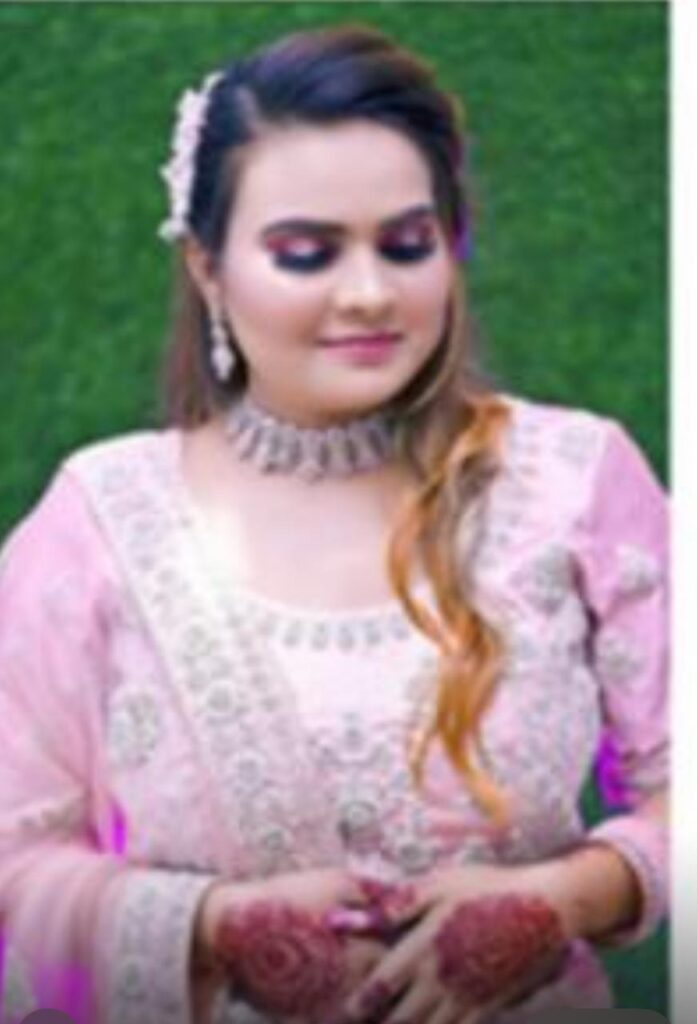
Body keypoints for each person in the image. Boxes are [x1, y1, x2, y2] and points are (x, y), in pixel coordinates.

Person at [0, 23, 668, 1024]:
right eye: (306, 254)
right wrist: (211, 925)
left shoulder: (572, 478)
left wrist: (563, 898)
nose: (368, 294)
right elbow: (14, 853)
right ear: (208, 270)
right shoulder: (103, 515)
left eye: (407, 245)